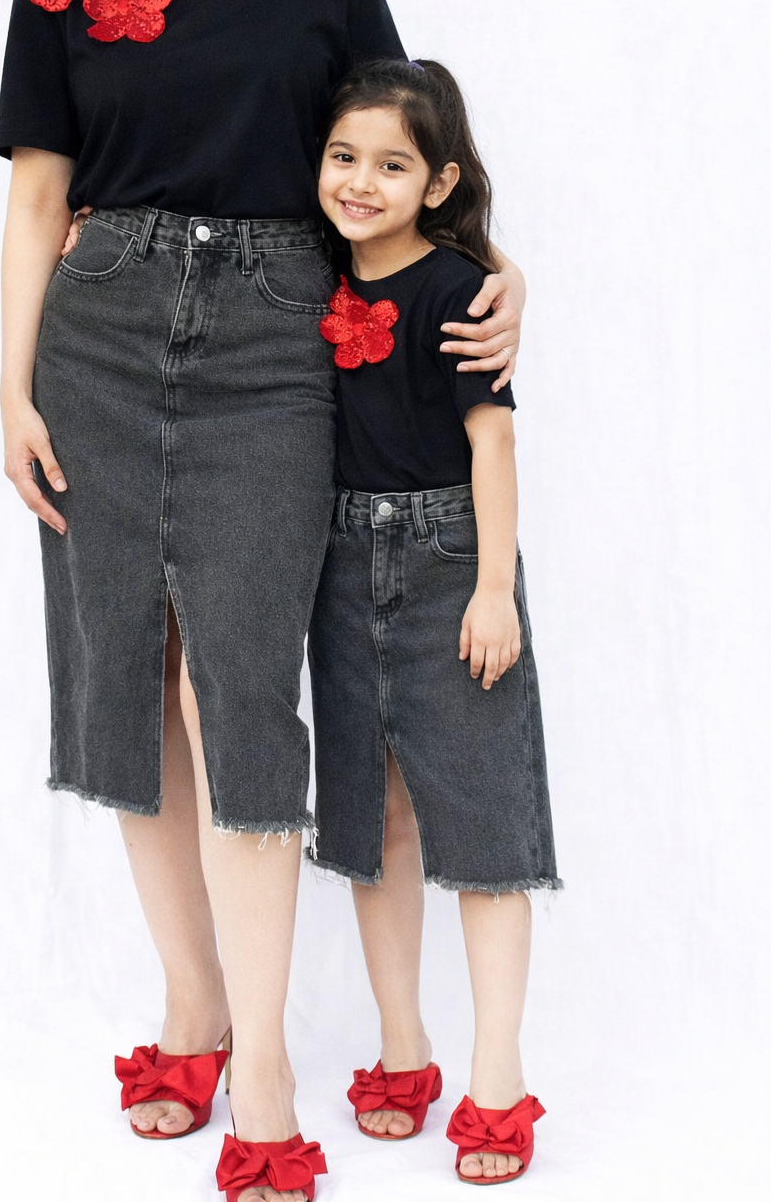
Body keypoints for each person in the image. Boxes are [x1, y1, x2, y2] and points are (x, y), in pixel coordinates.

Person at [0, 0, 525, 1201]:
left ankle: (271, 1067)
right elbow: (37, 198)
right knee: (128, 680)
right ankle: (197, 1011)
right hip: (97, 339)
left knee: (240, 691)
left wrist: (493, 268)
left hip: (276, 346)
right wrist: (12, 391)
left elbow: (406, 143)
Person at [309, 58, 559, 1186]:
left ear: (440, 181)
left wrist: (492, 587)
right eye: (343, 157)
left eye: (392, 165)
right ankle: (401, 1044)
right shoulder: (309, 272)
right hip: (334, 563)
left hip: (449, 559)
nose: (361, 183)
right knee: (376, 820)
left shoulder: (461, 288)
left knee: (484, 825)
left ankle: (496, 1074)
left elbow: (490, 441)